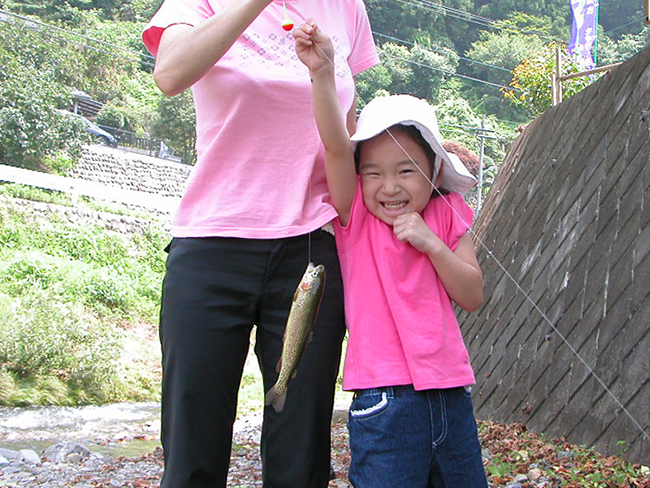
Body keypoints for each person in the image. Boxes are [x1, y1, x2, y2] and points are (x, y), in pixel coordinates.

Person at [141, 1, 379, 486]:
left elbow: (345, 132)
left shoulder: (347, 8)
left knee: (301, 454)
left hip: (312, 250)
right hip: (211, 242)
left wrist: (418, 154)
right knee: (192, 448)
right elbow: (169, 73)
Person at [294, 21, 489, 487]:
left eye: (406, 170)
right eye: (374, 173)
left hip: (451, 395)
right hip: (383, 400)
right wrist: (323, 76)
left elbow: (473, 294)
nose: (390, 187)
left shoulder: (447, 213)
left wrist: (431, 243)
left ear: (434, 170)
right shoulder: (356, 215)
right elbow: (337, 150)